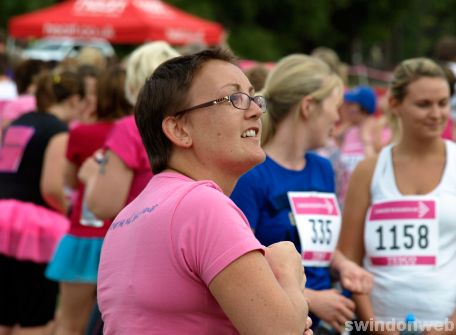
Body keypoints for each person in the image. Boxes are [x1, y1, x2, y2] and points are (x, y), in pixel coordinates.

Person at [97, 48, 311, 334]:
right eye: (234, 98)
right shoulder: (202, 205)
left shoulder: (126, 217)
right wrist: (286, 267)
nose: (256, 110)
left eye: (253, 96)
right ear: (179, 129)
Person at [230, 54, 373, 332]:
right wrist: (311, 299)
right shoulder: (251, 175)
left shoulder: (321, 168)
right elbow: (238, 270)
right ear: (308, 107)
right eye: (336, 106)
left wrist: (344, 266)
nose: (339, 116)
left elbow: (318, 246)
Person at [338, 58, 456, 333]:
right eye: (423, 104)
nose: (436, 114)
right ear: (395, 104)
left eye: (442, 103)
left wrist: (451, 327)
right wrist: (372, 324)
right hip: (377, 324)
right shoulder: (369, 170)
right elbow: (349, 258)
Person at [79, 41, 180, 335]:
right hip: (180, 253)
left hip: (135, 256)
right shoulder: (186, 127)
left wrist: (90, 178)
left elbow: (103, 205)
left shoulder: (130, 127)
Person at [45, 65, 132, 335]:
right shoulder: (140, 134)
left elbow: (69, 181)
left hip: (84, 235)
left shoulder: (82, 133)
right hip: (125, 236)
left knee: (70, 323)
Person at [0, 68, 83, 335]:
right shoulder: (59, 131)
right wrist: (69, 210)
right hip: (33, 226)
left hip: (3, 215)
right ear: (73, 100)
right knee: (35, 314)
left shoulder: (19, 121)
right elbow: (50, 188)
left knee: (5, 311)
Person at [335, 85, 378, 206]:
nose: (347, 108)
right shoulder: (349, 131)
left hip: (368, 203)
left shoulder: (379, 130)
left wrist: (366, 139)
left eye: (351, 104)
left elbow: (376, 167)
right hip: (344, 202)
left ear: (363, 107)